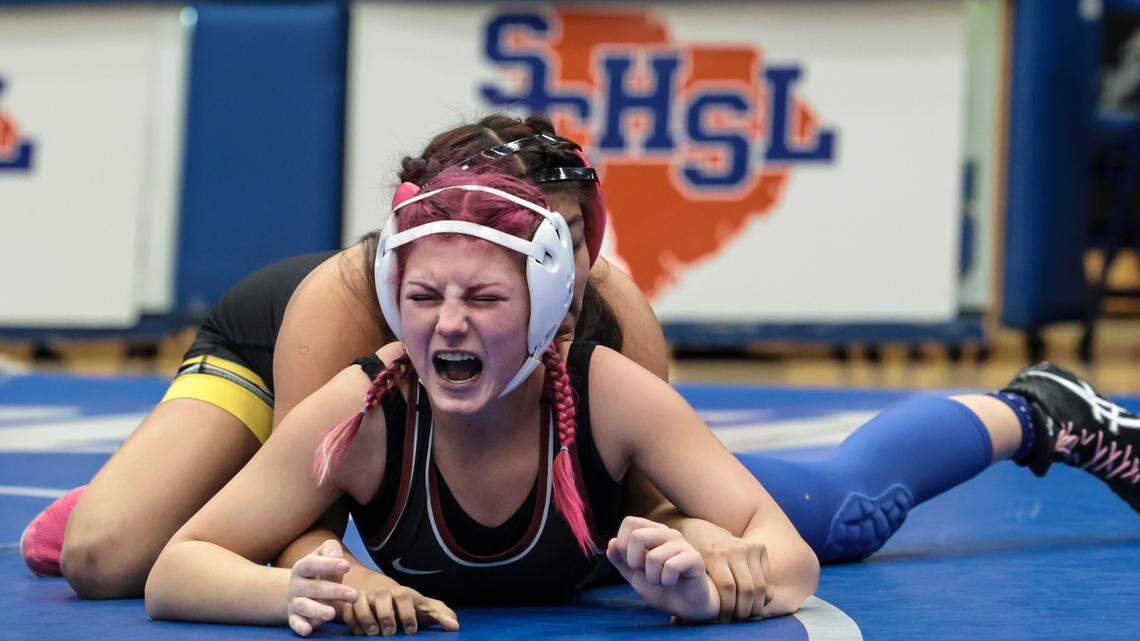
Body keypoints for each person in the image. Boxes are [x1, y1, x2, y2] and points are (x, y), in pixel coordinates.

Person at [20, 115, 681, 599]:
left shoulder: (616, 312)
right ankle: (180, 486)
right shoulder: (339, 306)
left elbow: (647, 507)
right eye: (529, 241)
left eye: (569, 240)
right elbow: (302, 528)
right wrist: (351, 579)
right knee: (107, 555)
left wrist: (697, 540)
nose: (556, 272)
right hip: (265, 354)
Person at [143, 168, 822, 635]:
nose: (448, 324)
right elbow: (176, 568)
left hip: (680, 498)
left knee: (824, 509)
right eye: (423, 297)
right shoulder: (366, 410)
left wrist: (706, 595)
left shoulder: (608, 388)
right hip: (642, 499)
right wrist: (295, 591)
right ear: (392, 304)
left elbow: (793, 558)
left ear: (544, 309)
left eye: (486, 298)